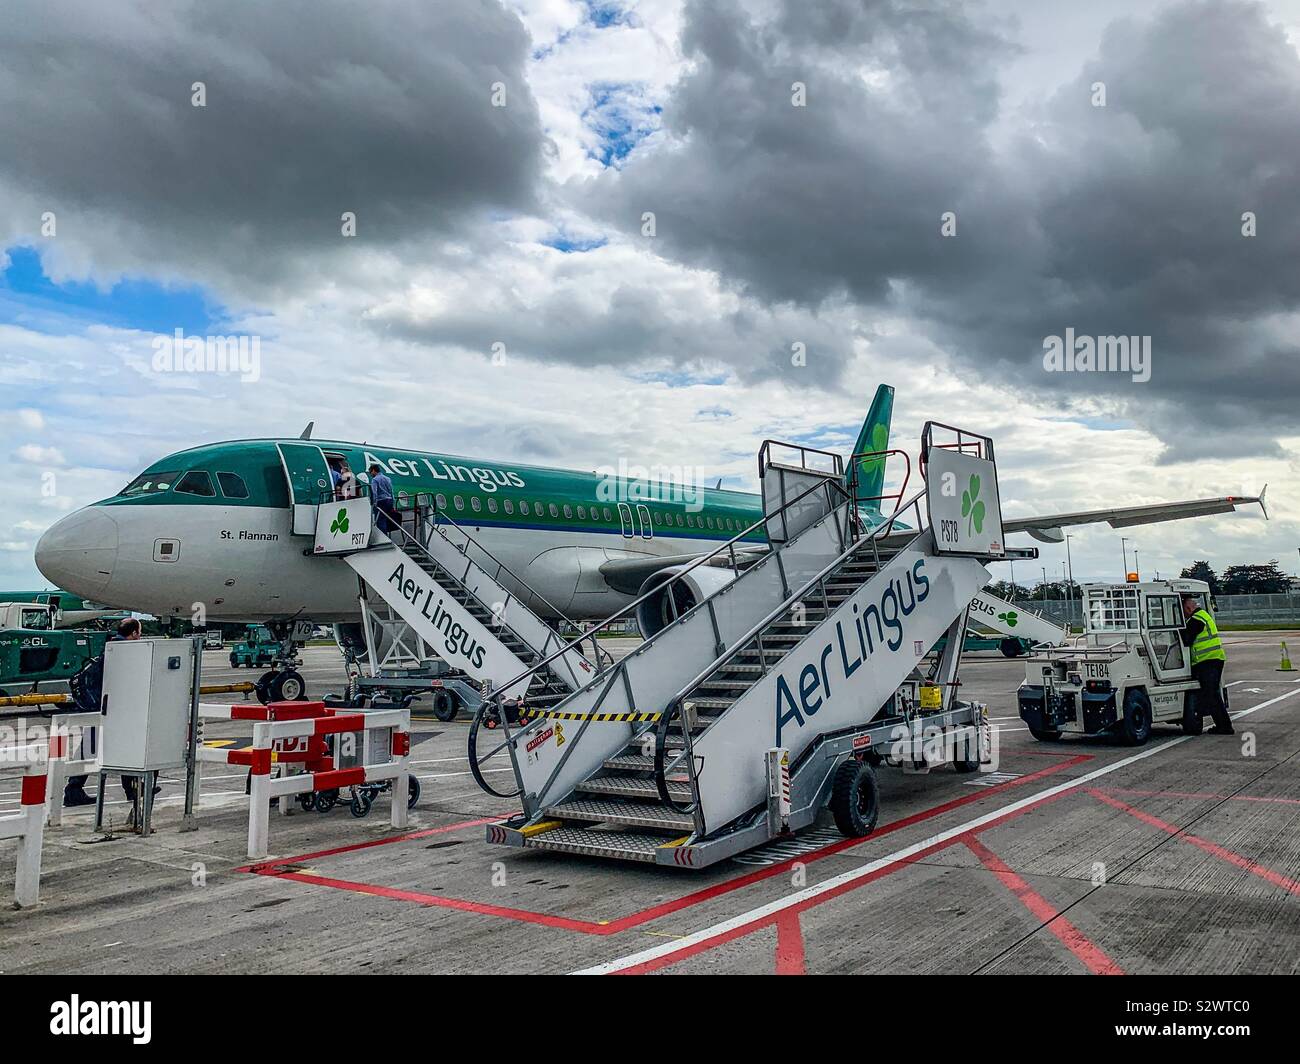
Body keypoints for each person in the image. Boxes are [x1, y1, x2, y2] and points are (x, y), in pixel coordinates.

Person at [63, 617, 149, 806]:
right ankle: (130, 790)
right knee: (118, 746)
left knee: (93, 745)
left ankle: (75, 790)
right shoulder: (123, 650)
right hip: (108, 707)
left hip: (100, 705)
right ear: (134, 633)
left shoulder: (110, 645)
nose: (140, 636)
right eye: (139, 633)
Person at [1180, 594, 1233, 734]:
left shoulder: (1196, 619)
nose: (1183, 614)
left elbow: (1186, 639)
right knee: (1211, 693)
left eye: (1183, 610)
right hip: (1212, 659)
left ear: (1189, 608)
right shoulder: (1203, 616)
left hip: (1208, 661)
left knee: (1211, 694)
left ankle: (1225, 726)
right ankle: (1223, 725)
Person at [368, 462, 398, 535]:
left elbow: (374, 493)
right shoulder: (388, 479)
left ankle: (383, 536)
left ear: (374, 470)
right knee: (387, 519)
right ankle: (387, 535)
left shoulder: (375, 480)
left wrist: (374, 503)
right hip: (389, 501)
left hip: (381, 501)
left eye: (370, 472)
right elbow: (391, 491)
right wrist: (393, 503)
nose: (370, 474)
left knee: (380, 520)